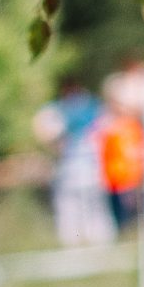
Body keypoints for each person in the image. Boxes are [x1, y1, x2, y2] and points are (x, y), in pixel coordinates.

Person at [34, 76, 110, 246]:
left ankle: (98, 240)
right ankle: (73, 241)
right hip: (68, 166)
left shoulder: (92, 107)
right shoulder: (56, 111)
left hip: (90, 164)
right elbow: (45, 133)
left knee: (92, 205)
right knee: (70, 206)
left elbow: (104, 132)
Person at [97, 63, 144, 234]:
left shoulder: (134, 125)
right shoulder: (106, 123)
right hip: (115, 178)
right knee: (122, 220)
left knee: (136, 218)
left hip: (133, 177)